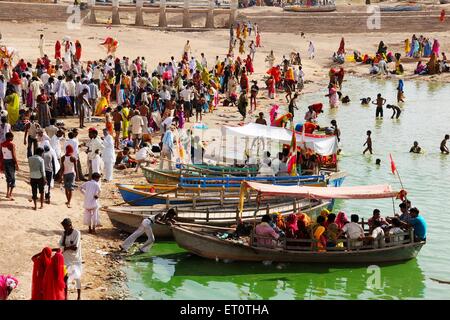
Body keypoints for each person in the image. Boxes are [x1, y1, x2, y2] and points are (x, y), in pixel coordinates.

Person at [59, 218, 82, 300]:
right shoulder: (64, 233)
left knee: (77, 277)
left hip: (76, 258)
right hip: (66, 258)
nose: (64, 228)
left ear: (70, 225)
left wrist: (65, 248)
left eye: (65, 227)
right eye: (63, 227)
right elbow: (60, 245)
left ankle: (79, 296)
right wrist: (66, 247)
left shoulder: (77, 233)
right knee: (65, 276)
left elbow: (75, 247)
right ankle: (65, 297)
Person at [1, 132, 19, 200]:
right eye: (12, 137)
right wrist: (16, 164)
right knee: (13, 178)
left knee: (8, 178)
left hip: (4, 161)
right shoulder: (12, 145)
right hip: (10, 162)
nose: (13, 138)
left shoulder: (1, 144)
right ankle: (10, 194)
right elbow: (14, 156)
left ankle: (7, 193)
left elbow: (1, 155)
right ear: (9, 137)